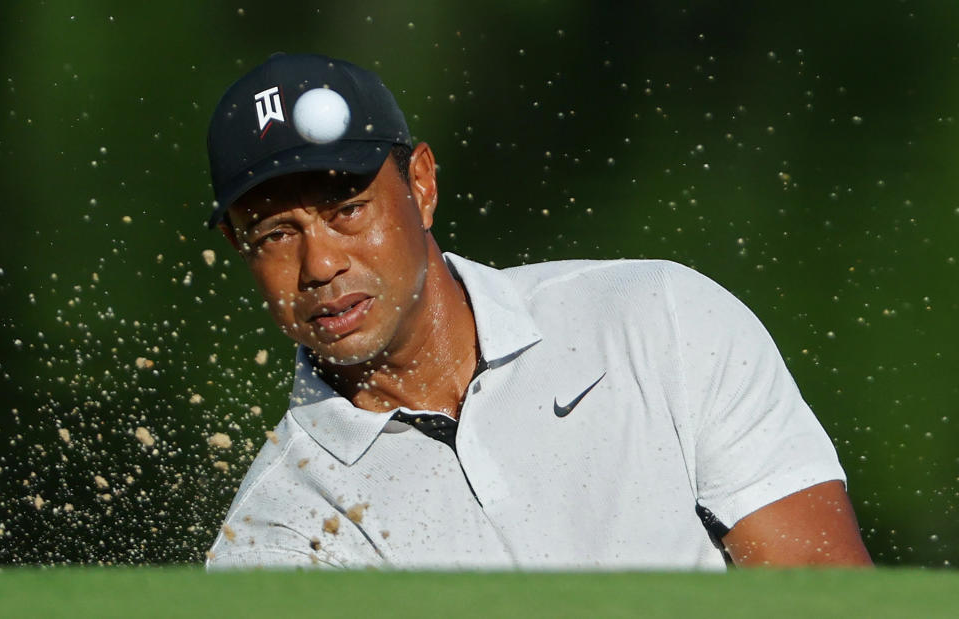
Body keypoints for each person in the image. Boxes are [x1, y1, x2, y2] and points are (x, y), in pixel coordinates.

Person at [203, 53, 872, 570]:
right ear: (239, 246)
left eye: (347, 209)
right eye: (276, 234)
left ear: (422, 185)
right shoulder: (279, 538)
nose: (320, 264)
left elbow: (820, 580)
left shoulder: (656, 318)